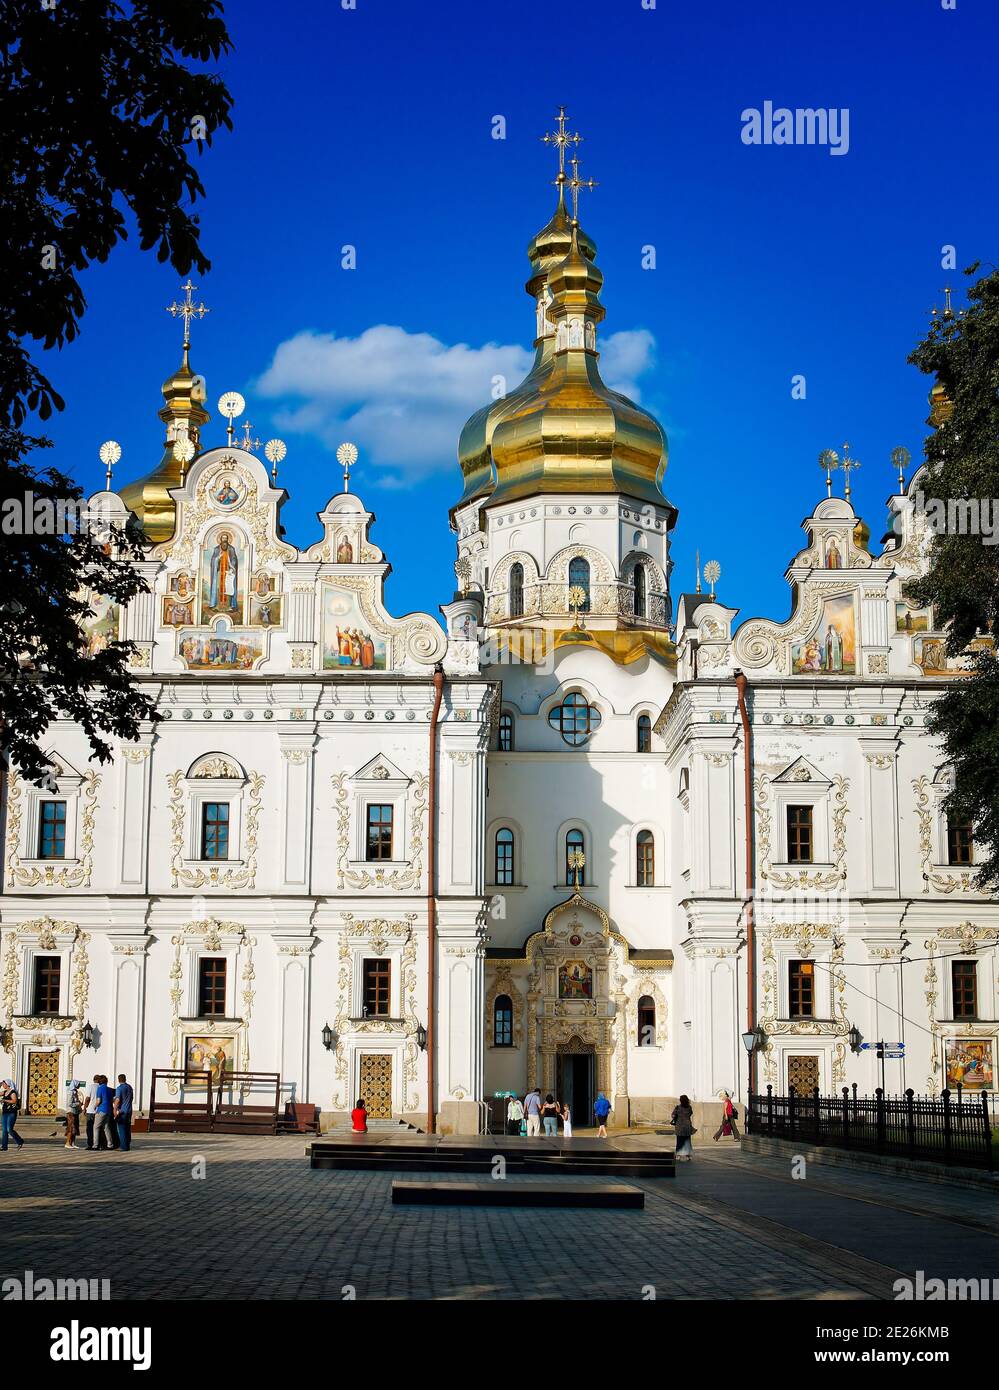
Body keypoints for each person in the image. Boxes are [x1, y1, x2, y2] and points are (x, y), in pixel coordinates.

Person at [91, 1075, 116, 1151]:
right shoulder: (109, 1090)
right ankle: (110, 1144)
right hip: (108, 1110)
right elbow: (112, 1100)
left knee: (96, 1127)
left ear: (99, 1081)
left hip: (101, 1110)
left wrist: (94, 1106)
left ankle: (95, 1145)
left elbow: (99, 1100)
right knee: (106, 1127)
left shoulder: (100, 1088)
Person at [1, 1080, 24, 1151]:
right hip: (5, 1112)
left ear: (8, 1084)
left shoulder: (12, 1092)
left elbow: (14, 1101)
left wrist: (5, 1100)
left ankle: (20, 1141)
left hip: (11, 1113)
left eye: (4, 1084)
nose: (3, 1085)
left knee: (9, 1129)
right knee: (4, 1130)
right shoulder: (4, 1092)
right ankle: (4, 1146)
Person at [672, 1094, 696, 1161]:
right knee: (687, 1141)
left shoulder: (677, 1107)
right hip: (687, 1126)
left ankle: (678, 1155)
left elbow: (673, 1115)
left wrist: (677, 1116)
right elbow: (691, 1113)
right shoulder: (689, 1107)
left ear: (680, 1100)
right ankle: (688, 1156)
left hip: (679, 1126)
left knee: (679, 1141)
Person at [113, 1074, 134, 1151]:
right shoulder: (129, 1087)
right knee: (127, 1128)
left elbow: (118, 1100)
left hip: (122, 1111)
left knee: (121, 1129)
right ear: (125, 1079)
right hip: (129, 1110)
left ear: (118, 1080)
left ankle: (123, 1146)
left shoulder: (119, 1088)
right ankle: (127, 1144)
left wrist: (114, 1110)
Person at [83, 1073, 101, 1150]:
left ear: (94, 1080)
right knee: (98, 1128)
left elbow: (87, 1098)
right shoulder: (101, 1087)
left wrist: (84, 1107)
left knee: (90, 1128)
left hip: (90, 1110)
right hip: (98, 1111)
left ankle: (90, 1144)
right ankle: (98, 1144)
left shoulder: (91, 1087)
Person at [65, 1081, 83, 1149]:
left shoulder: (75, 1092)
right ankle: (67, 1143)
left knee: (75, 1127)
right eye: (78, 1084)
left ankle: (72, 1143)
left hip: (75, 1112)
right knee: (71, 1127)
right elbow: (70, 1103)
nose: (79, 1086)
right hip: (71, 1112)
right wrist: (78, 1104)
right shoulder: (70, 1092)